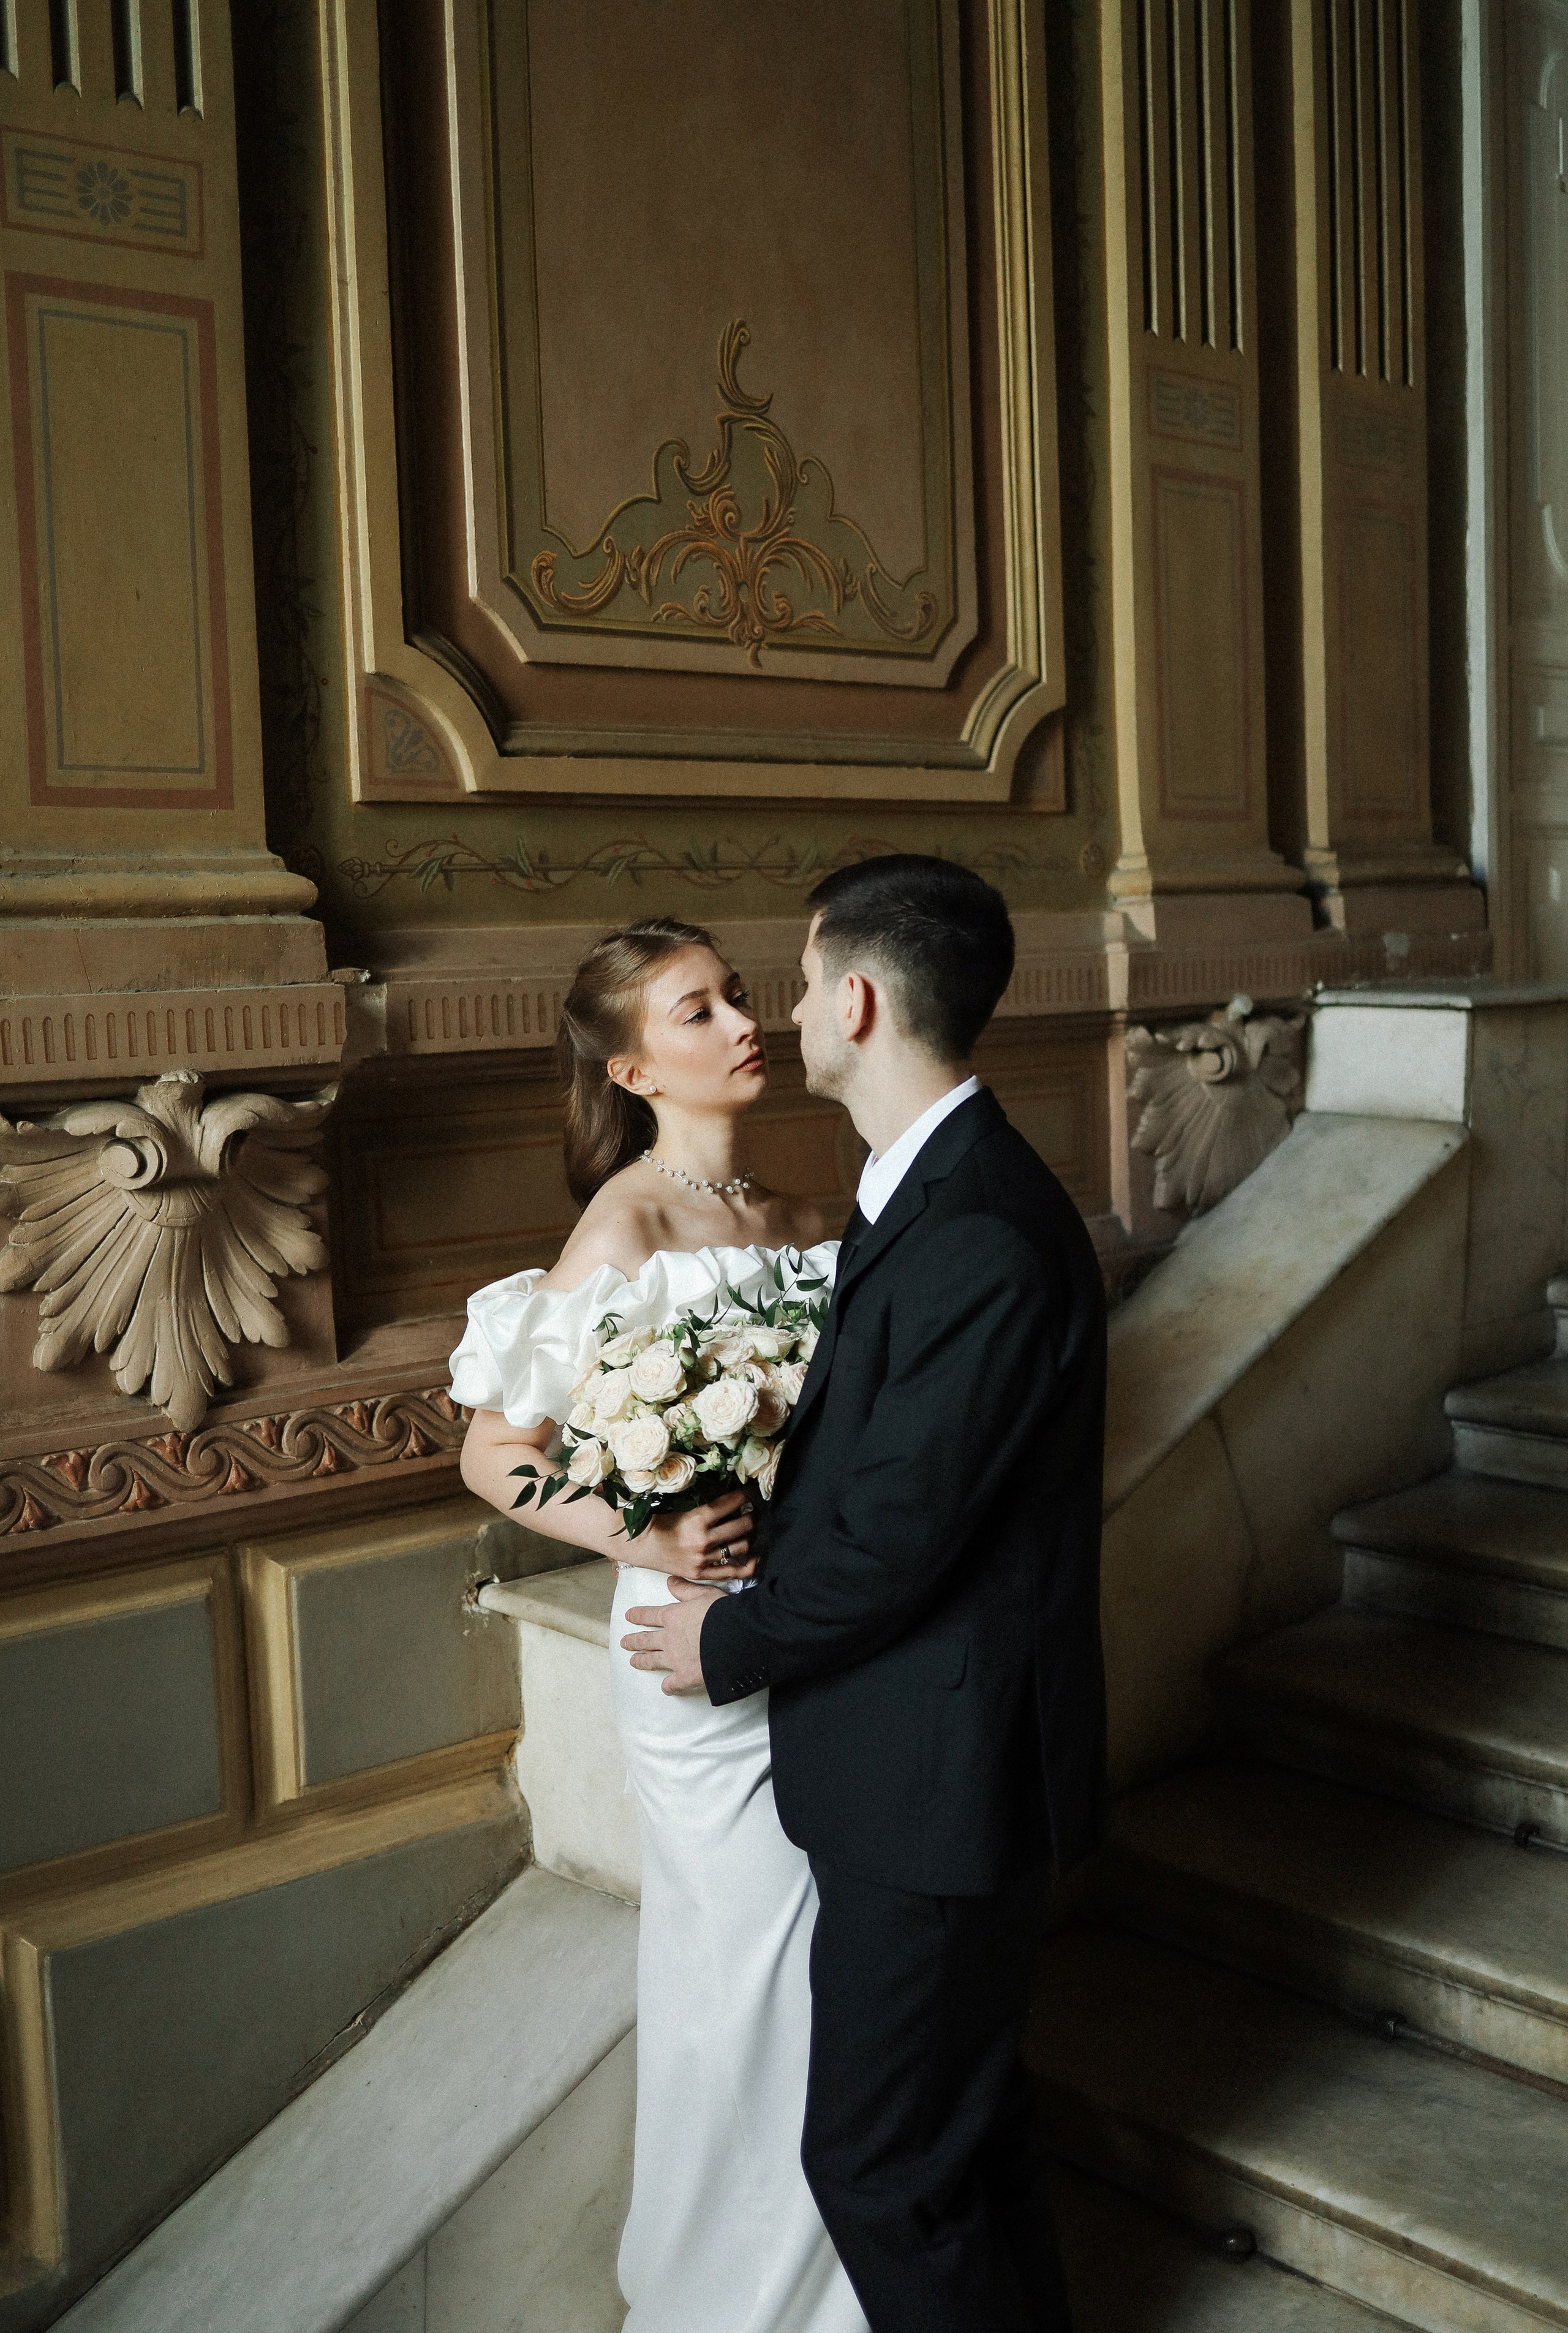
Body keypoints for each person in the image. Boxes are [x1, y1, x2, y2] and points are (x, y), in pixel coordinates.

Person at [624, 855, 1107, 2333]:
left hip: (940, 1785)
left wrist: (727, 1637)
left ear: (855, 1001)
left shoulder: (975, 1228)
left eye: (794, 984)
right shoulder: (927, 1197)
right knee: (960, 2143)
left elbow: (898, 1540)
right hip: (914, 1766)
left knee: (878, 2164)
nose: (781, 1016)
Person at [453, 916, 870, 2333]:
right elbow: (495, 1453)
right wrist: (654, 1536)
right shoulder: (622, 1230)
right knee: (746, 1969)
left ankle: (851, 2276)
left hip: (824, 1623)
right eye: (699, 1011)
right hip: (692, 1641)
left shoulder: (806, 1213)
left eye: (740, 996)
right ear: (632, 1069)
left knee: (840, 1960)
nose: (745, 1023)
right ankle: (732, 2303)